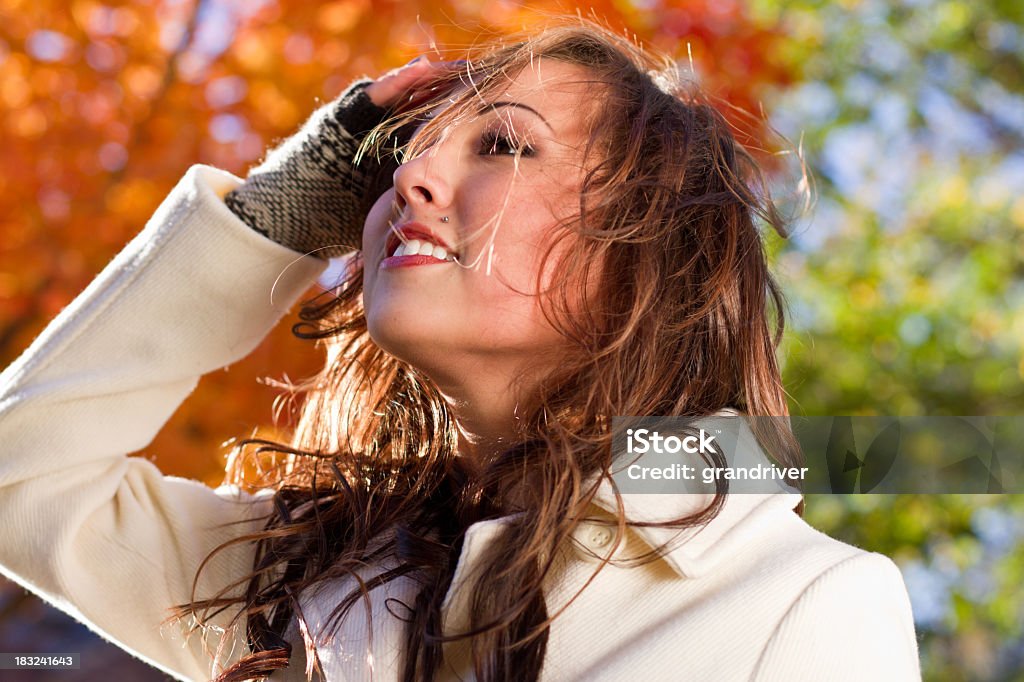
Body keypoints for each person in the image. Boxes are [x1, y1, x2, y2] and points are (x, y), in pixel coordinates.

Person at [0, 19, 921, 682]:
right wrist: (274, 218)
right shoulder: (290, 578)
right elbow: (19, 483)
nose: (408, 175)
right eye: (407, 152)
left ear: (643, 255)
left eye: (506, 145)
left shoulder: (799, 604)